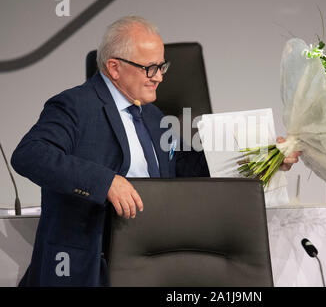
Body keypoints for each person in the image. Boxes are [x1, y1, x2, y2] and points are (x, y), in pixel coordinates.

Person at [11, 16, 301, 286]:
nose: (159, 77)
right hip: (87, 267)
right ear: (114, 67)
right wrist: (105, 182)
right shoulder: (74, 105)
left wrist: (263, 157)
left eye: (162, 66)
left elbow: (182, 169)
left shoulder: (153, 117)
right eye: (149, 68)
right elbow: (31, 154)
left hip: (150, 263)